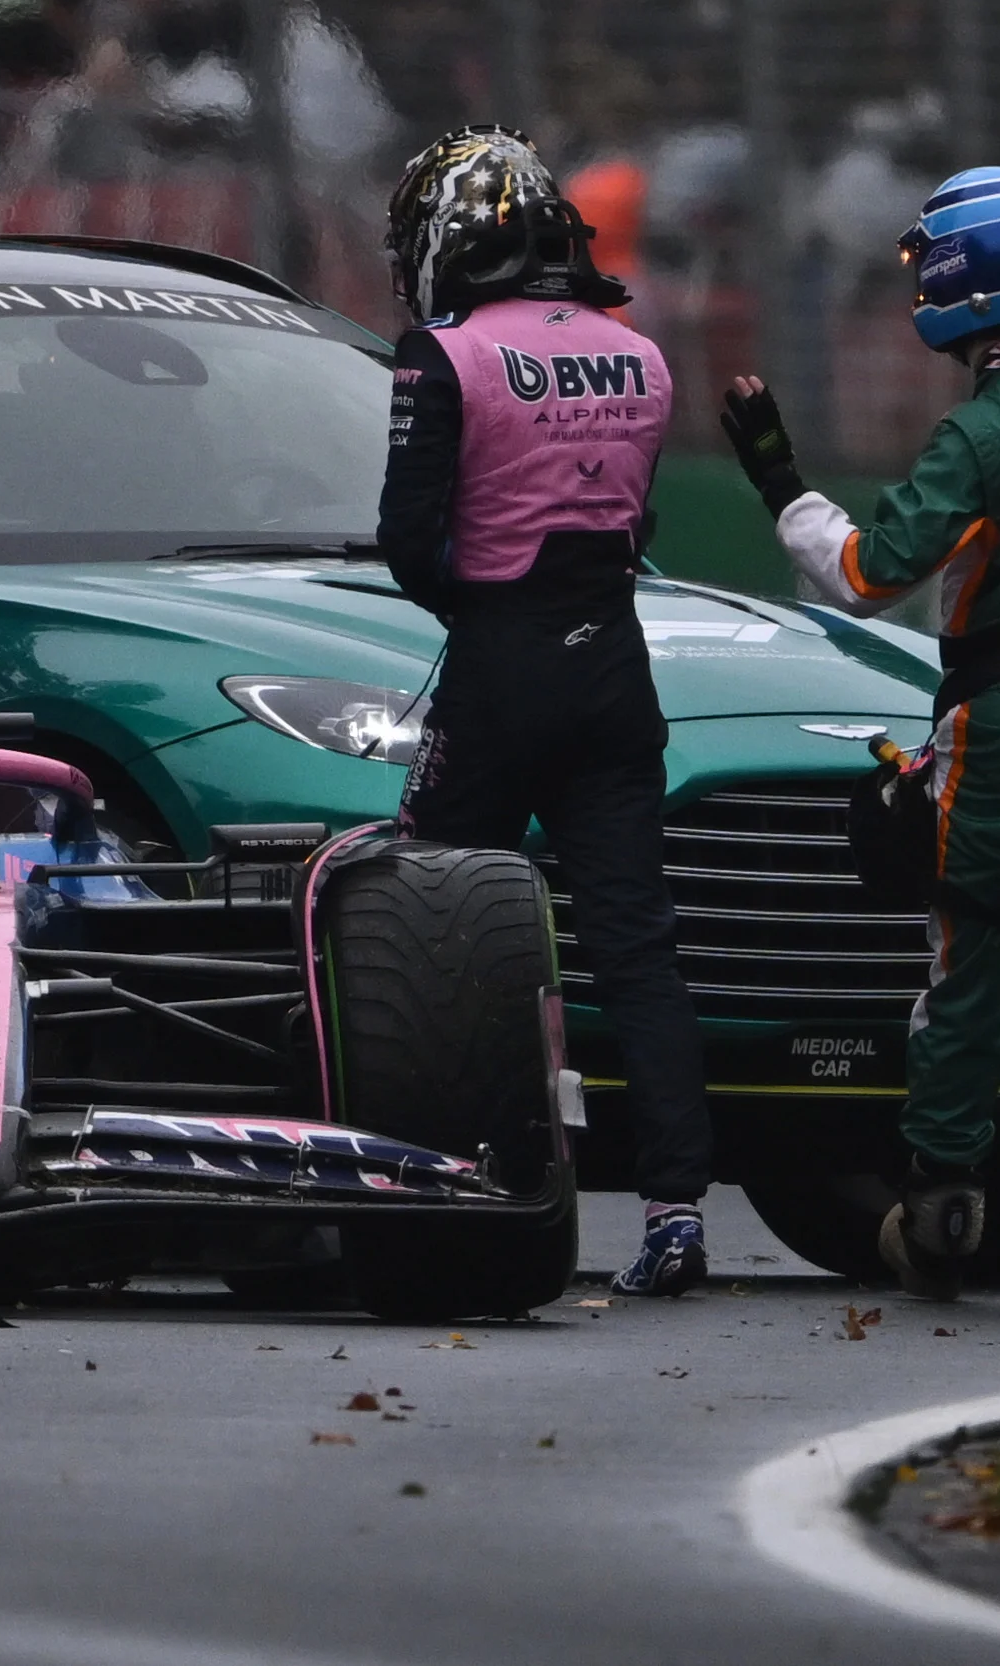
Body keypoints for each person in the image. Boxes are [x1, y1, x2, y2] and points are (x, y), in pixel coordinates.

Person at [717, 166, 1000, 1309]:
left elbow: (864, 574)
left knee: (970, 965)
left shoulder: (978, 435)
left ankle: (941, 1204)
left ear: (972, 284)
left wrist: (779, 480)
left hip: (999, 733)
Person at [375, 126, 715, 1299]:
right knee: (637, 948)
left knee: (425, 923)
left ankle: (435, 1177)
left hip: (500, 666)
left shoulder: (442, 354)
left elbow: (407, 541)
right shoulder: (640, 355)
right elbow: (635, 524)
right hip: (614, 667)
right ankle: (676, 1211)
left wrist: (480, 608)